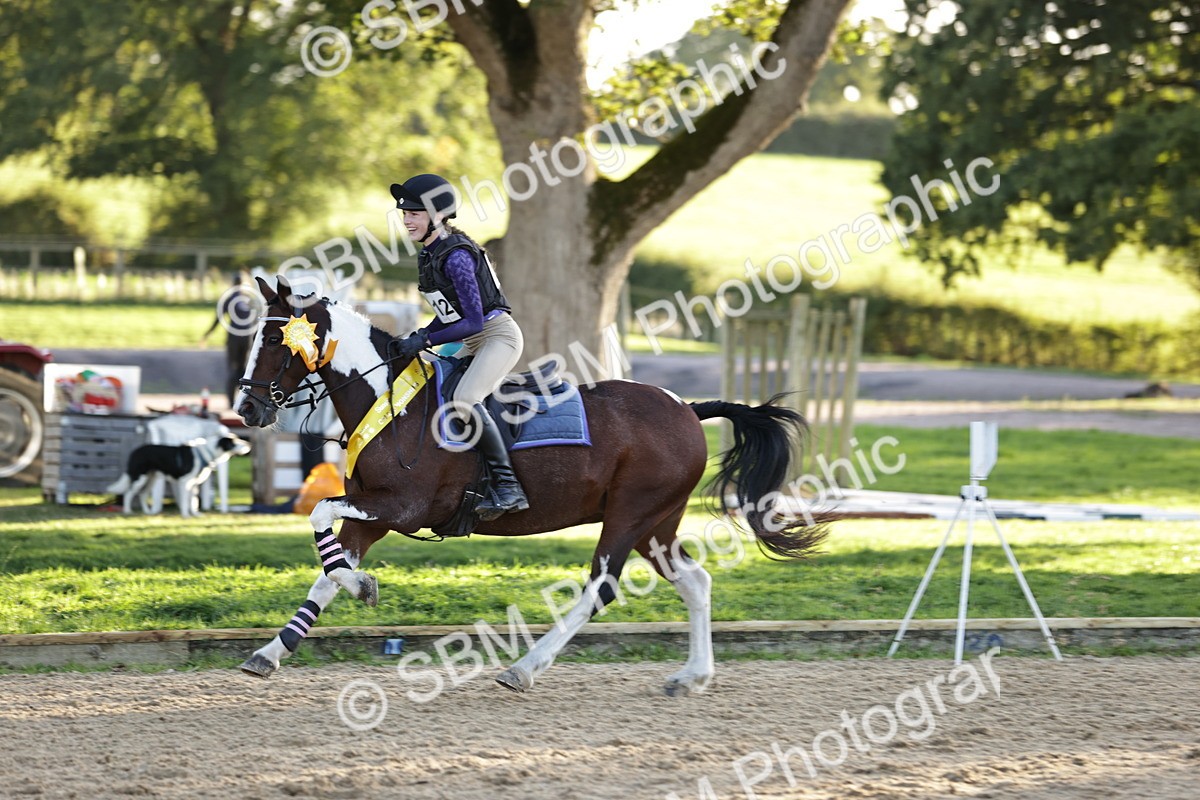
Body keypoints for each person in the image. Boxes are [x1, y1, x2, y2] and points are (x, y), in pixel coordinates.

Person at [389, 174, 529, 520]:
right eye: (405, 213)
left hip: (497, 337)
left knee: (464, 399)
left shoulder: (456, 257)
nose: (407, 219)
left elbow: (474, 322)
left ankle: (509, 487)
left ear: (437, 216)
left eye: (415, 213)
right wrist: (418, 336)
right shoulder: (432, 253)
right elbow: (449, 315)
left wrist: (425, 340)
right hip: (470, 340)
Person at [201, 271, 255, 408]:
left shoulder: (230, 298)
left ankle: (231, 401)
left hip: (234, 338)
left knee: (233, 369)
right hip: (247, 338)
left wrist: (207, 334)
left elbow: (218, 318)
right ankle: (241, 400)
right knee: (244, 370)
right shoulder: (250, 298)